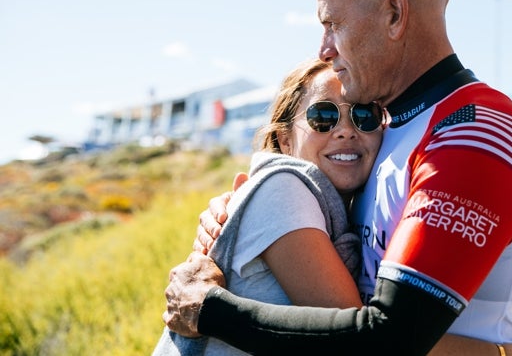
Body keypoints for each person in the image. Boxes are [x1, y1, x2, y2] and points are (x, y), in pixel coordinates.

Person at [164, 0, 512, 355]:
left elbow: (388, 340)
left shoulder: (475, 129)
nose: (324, 48)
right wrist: (239, 207)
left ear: (395, 15)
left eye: (333, 24)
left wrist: (210, 312)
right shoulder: (390, 129)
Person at [153, 58, 382, 354]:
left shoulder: (333, 209)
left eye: (364, 115)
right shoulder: (283, 189)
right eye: (324, 116)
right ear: (285, 141)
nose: (346, 130)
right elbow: (357, 346)